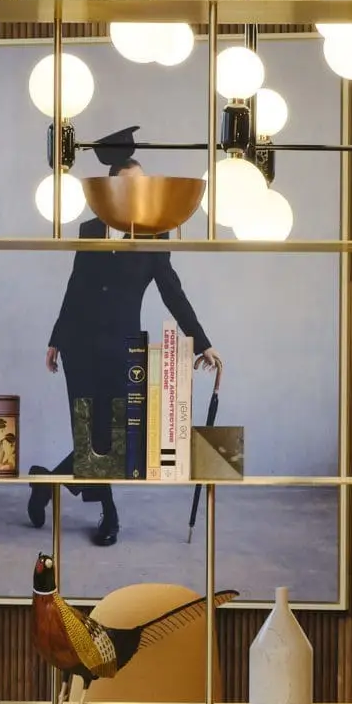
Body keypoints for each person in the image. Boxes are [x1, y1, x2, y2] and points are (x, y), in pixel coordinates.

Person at [26, 217, 220, 548]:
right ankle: (109, 514)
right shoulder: (90, 229)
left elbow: (172, 291)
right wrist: (56, 337)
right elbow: (77, 284)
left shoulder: (154, 234)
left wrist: (202, 343)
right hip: (79, 345)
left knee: (120, 437)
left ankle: (47, 483)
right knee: (90, 435)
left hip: (122, 348)